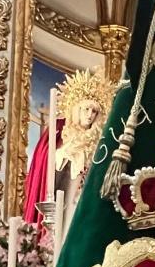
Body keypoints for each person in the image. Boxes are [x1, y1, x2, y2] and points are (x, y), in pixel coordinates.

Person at [22, 67, 114, 228]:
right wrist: (65, 154)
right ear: (77, 109)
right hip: (59, 196)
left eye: (94, 111)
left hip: (82, 203)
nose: (90, 115)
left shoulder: (100, 142)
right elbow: (44, 163)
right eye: (86, 109)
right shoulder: (60, 133)